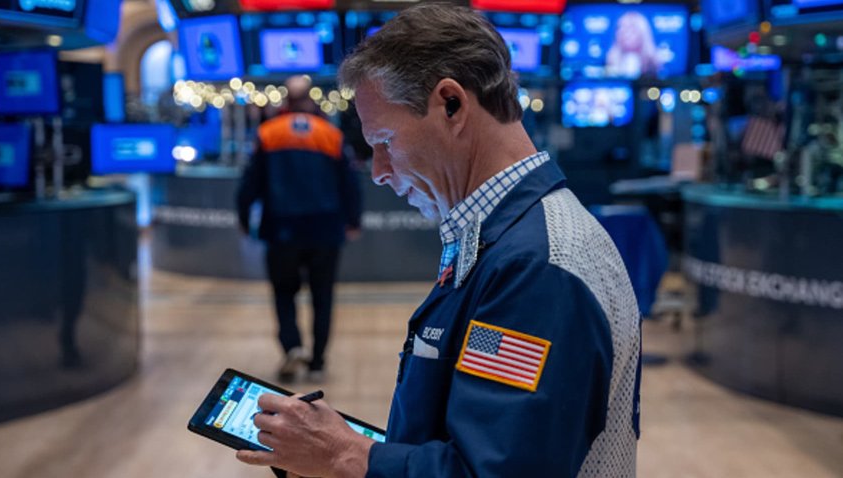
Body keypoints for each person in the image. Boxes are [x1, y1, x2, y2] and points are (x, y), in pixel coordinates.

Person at [236, 5, 641, 477]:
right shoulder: (502, 238)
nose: (381, 172)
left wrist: (348, 456)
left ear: (451, 103)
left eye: (385, 141)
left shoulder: (537, 267)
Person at [237, 75, 362, 383]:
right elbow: (350, 183)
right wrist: (353, 220)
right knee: (323, 296)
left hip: (281, 230)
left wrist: (243, 218)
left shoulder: (268, 134)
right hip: (325, 229)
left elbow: (249, 184)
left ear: (286, 102)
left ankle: (292, 346)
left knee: (283, 293)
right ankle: (318, 361)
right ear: (311, 101)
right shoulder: (330, 135)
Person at [605, 11, 660, 79]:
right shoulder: (609, 62)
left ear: (642, 32)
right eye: (620, 28)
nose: (624, 33)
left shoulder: (653, 64)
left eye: (630, 28)